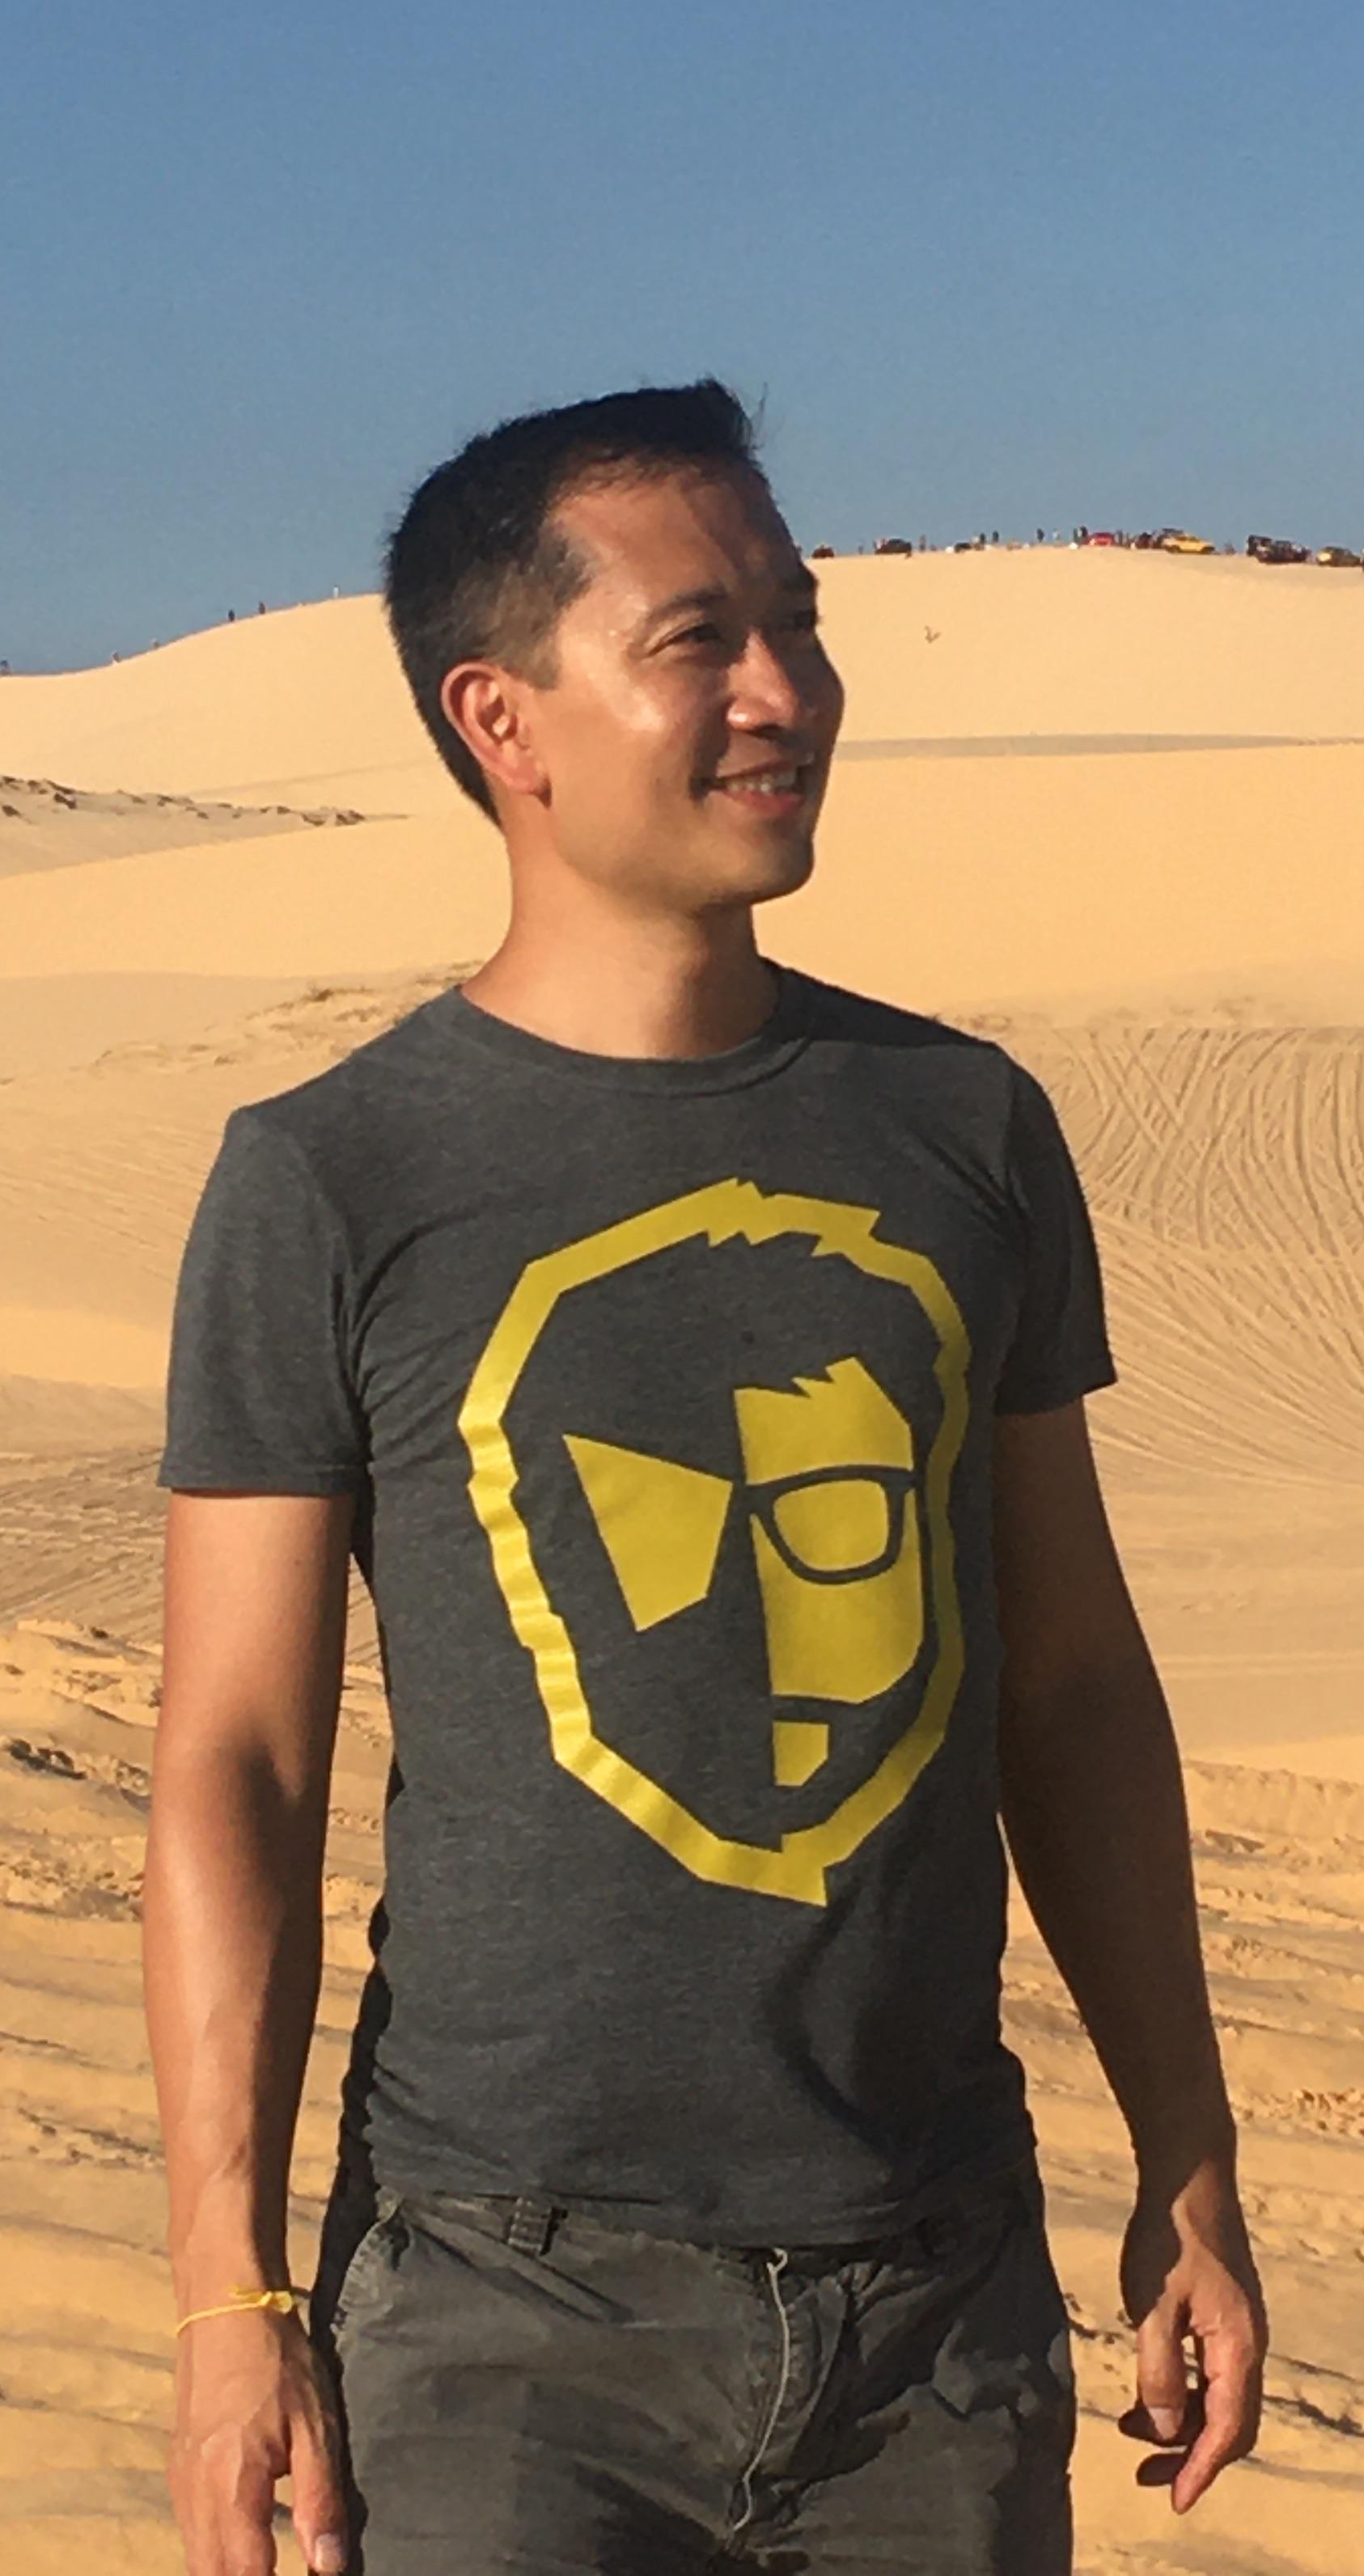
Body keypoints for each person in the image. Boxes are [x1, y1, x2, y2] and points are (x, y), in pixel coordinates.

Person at [146, 383, 1263, 2576]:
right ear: (503, 719)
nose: (785, 692)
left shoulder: (964, 1130)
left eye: (799, 625)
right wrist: (227, 2303)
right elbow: (238, 1763)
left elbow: (1068, 1688)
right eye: (700, 641)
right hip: (503, 2314)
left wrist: (1190, 2162)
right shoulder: (331, 1178)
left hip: (938, 2309)